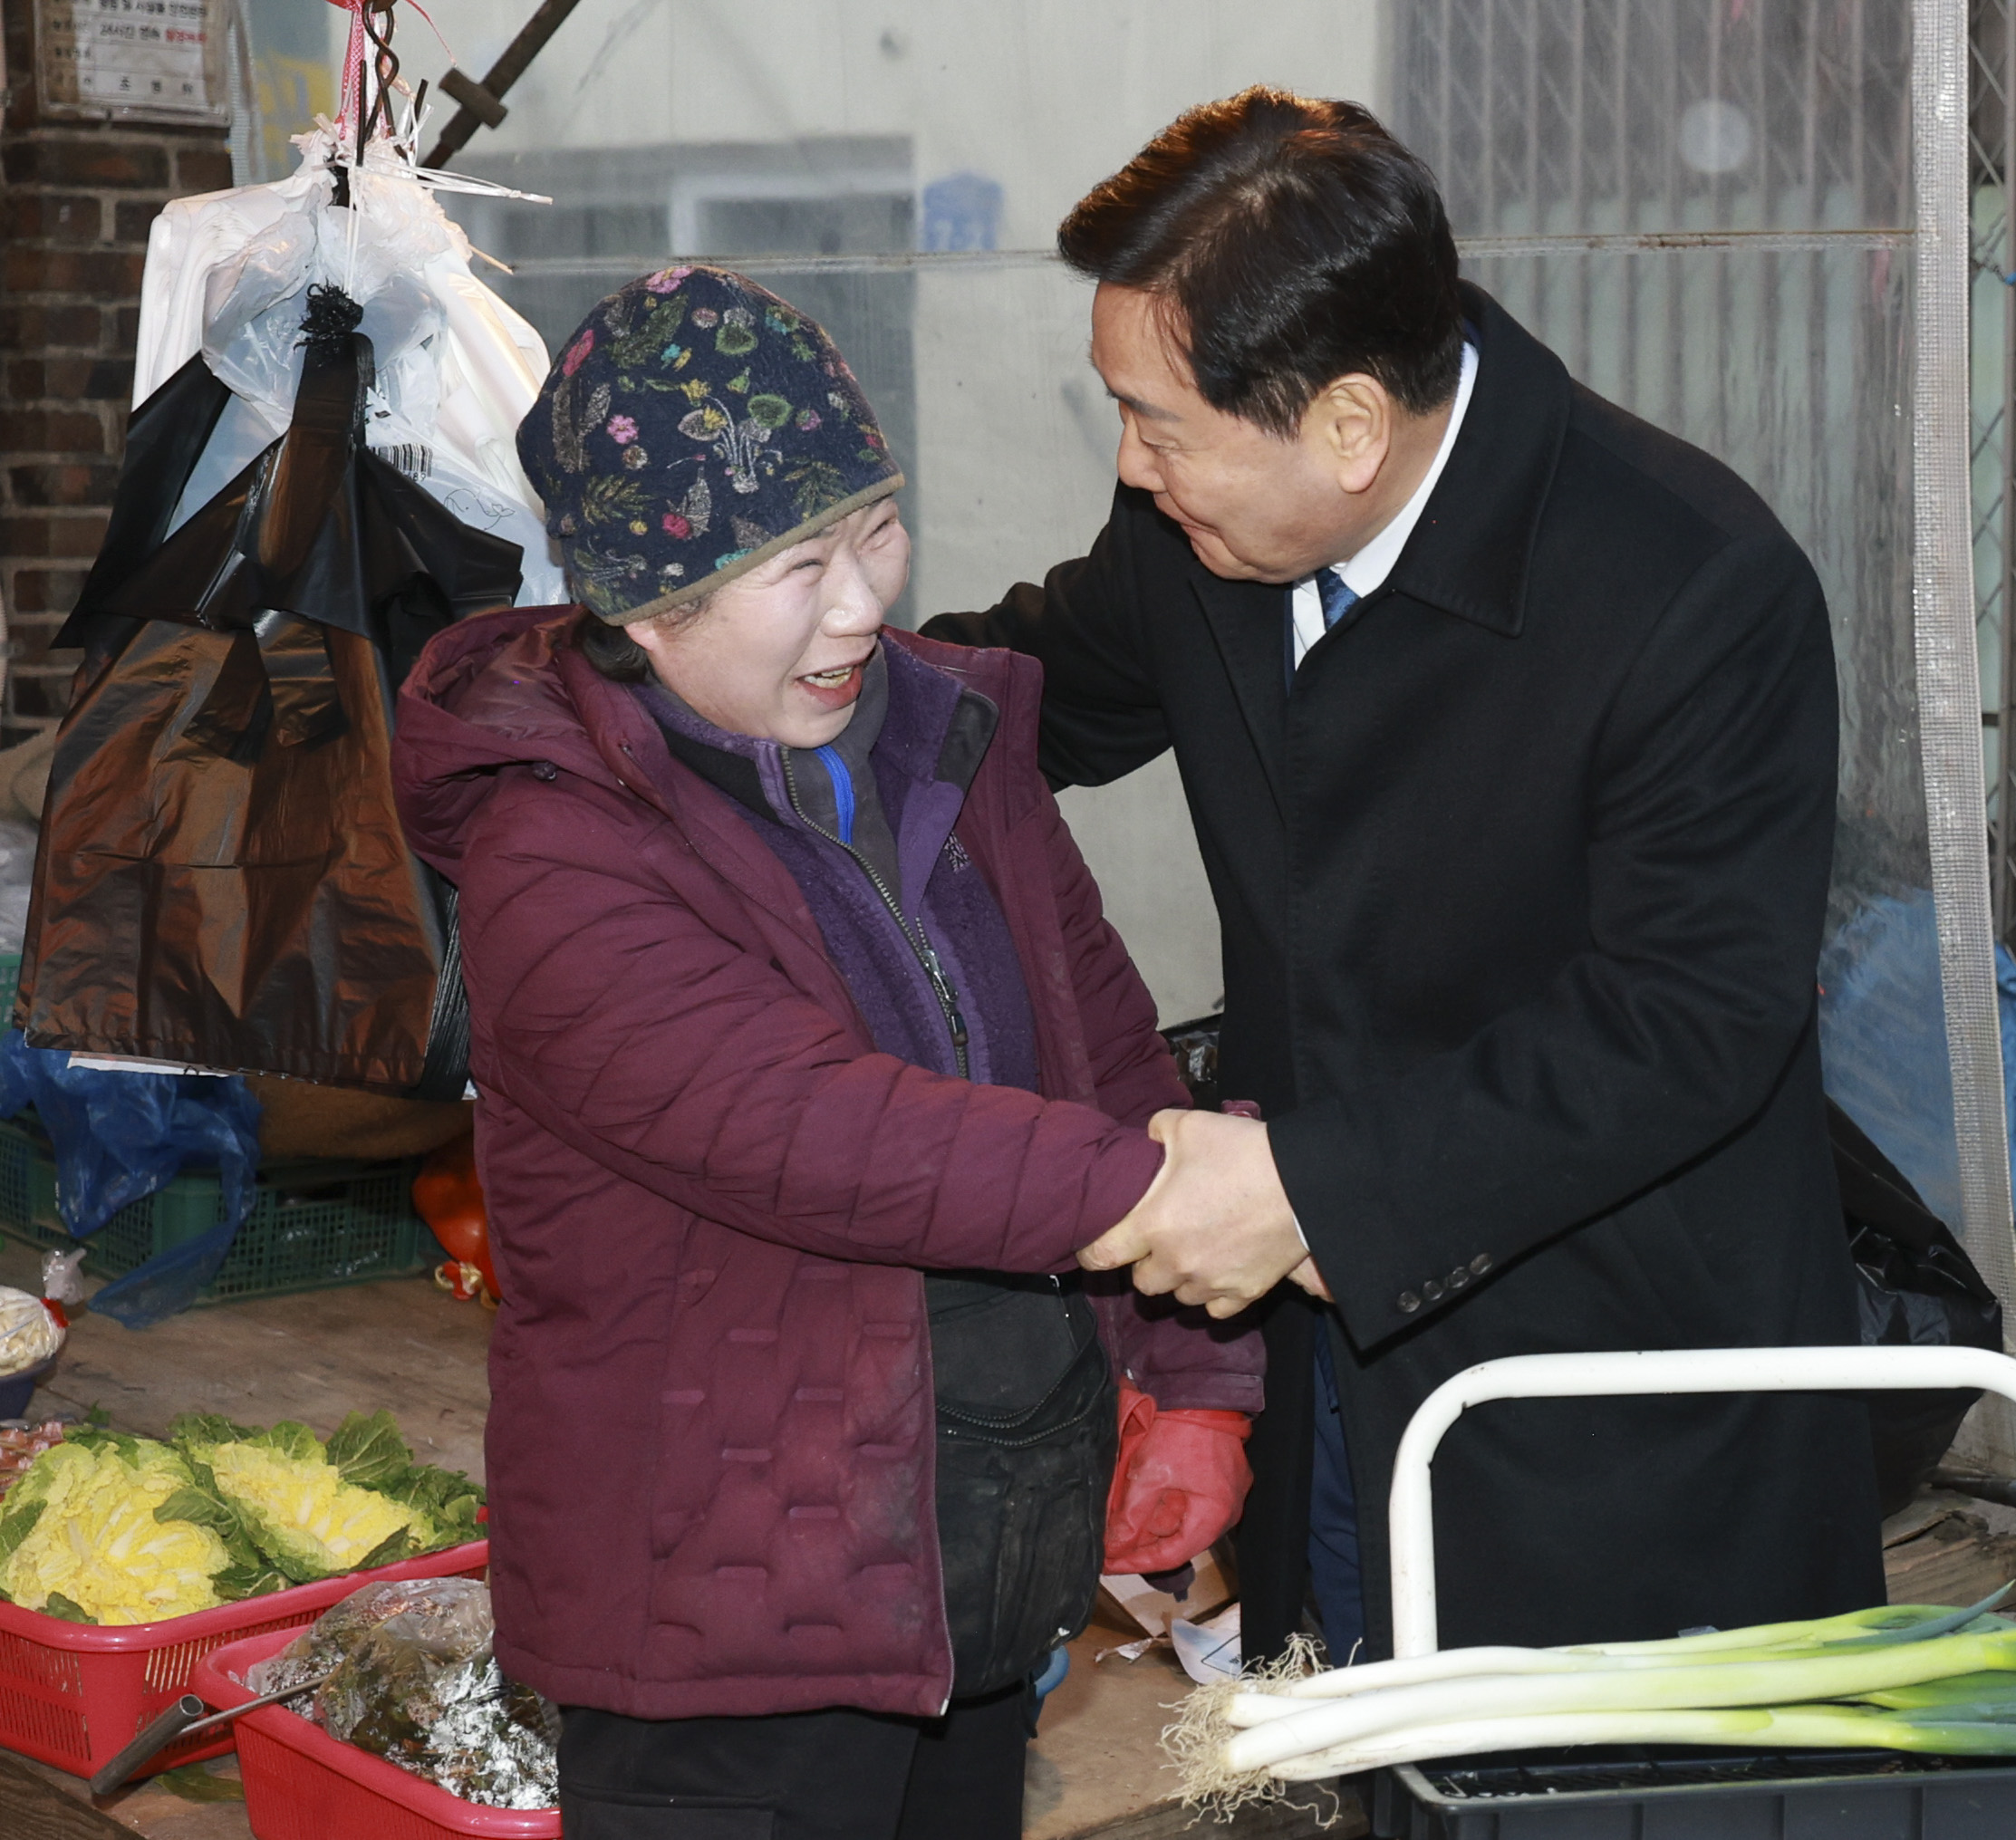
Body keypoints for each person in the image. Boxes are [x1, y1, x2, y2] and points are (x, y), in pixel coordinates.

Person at [924, 91, 1885, 1668]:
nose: (1131, 460)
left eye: (1161, 422)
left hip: (1610, 1379)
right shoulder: (1203, 531)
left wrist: (1311, 1187)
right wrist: (771, 671)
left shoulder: (1690, 591)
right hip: (1338, 1358)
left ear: (1353, 425)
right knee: (1373, 1735)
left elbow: (1686, 1024)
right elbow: (1028, 696)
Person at [392, 265, 1259, 1840]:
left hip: (978, 1578)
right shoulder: (555, 852)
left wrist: (1192, 1380)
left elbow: (1107, 1048)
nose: (863, 599)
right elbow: (821, 1129)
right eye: (797, 562)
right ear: (645, 608)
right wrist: (1181, 1194)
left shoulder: (955, 738)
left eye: (873, 524)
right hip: (727, 1634)